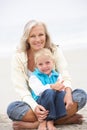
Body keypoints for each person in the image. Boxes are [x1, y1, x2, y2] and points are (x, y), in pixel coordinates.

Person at [7, 20, 87, 130]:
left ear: (46, 35)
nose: (38, 39)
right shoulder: (18, 57)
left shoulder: (54, 50)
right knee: (12, 109)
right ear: (27, 39)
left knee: (80, 95)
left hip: (57, 99)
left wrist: (68, 93)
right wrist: (35, 107)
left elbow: (64, 75)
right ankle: (63, 119)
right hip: (36, 102)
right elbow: (22, 90)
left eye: (41, 35)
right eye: (33, 36)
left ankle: (36, 124)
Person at [29, 48, 67, 130]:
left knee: (61, 93)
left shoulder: (57, 75)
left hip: (53, 101)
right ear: (36, 65)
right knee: (49, 92)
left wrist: (60, 88)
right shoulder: (34, 77)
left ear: (53, 63)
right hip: (40, 102)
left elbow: (62, 88)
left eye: (47, 63)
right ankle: (43, 122)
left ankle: (51, 121)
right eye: (40, 64)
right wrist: (52, 86)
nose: (44, 66)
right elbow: (38, 91)